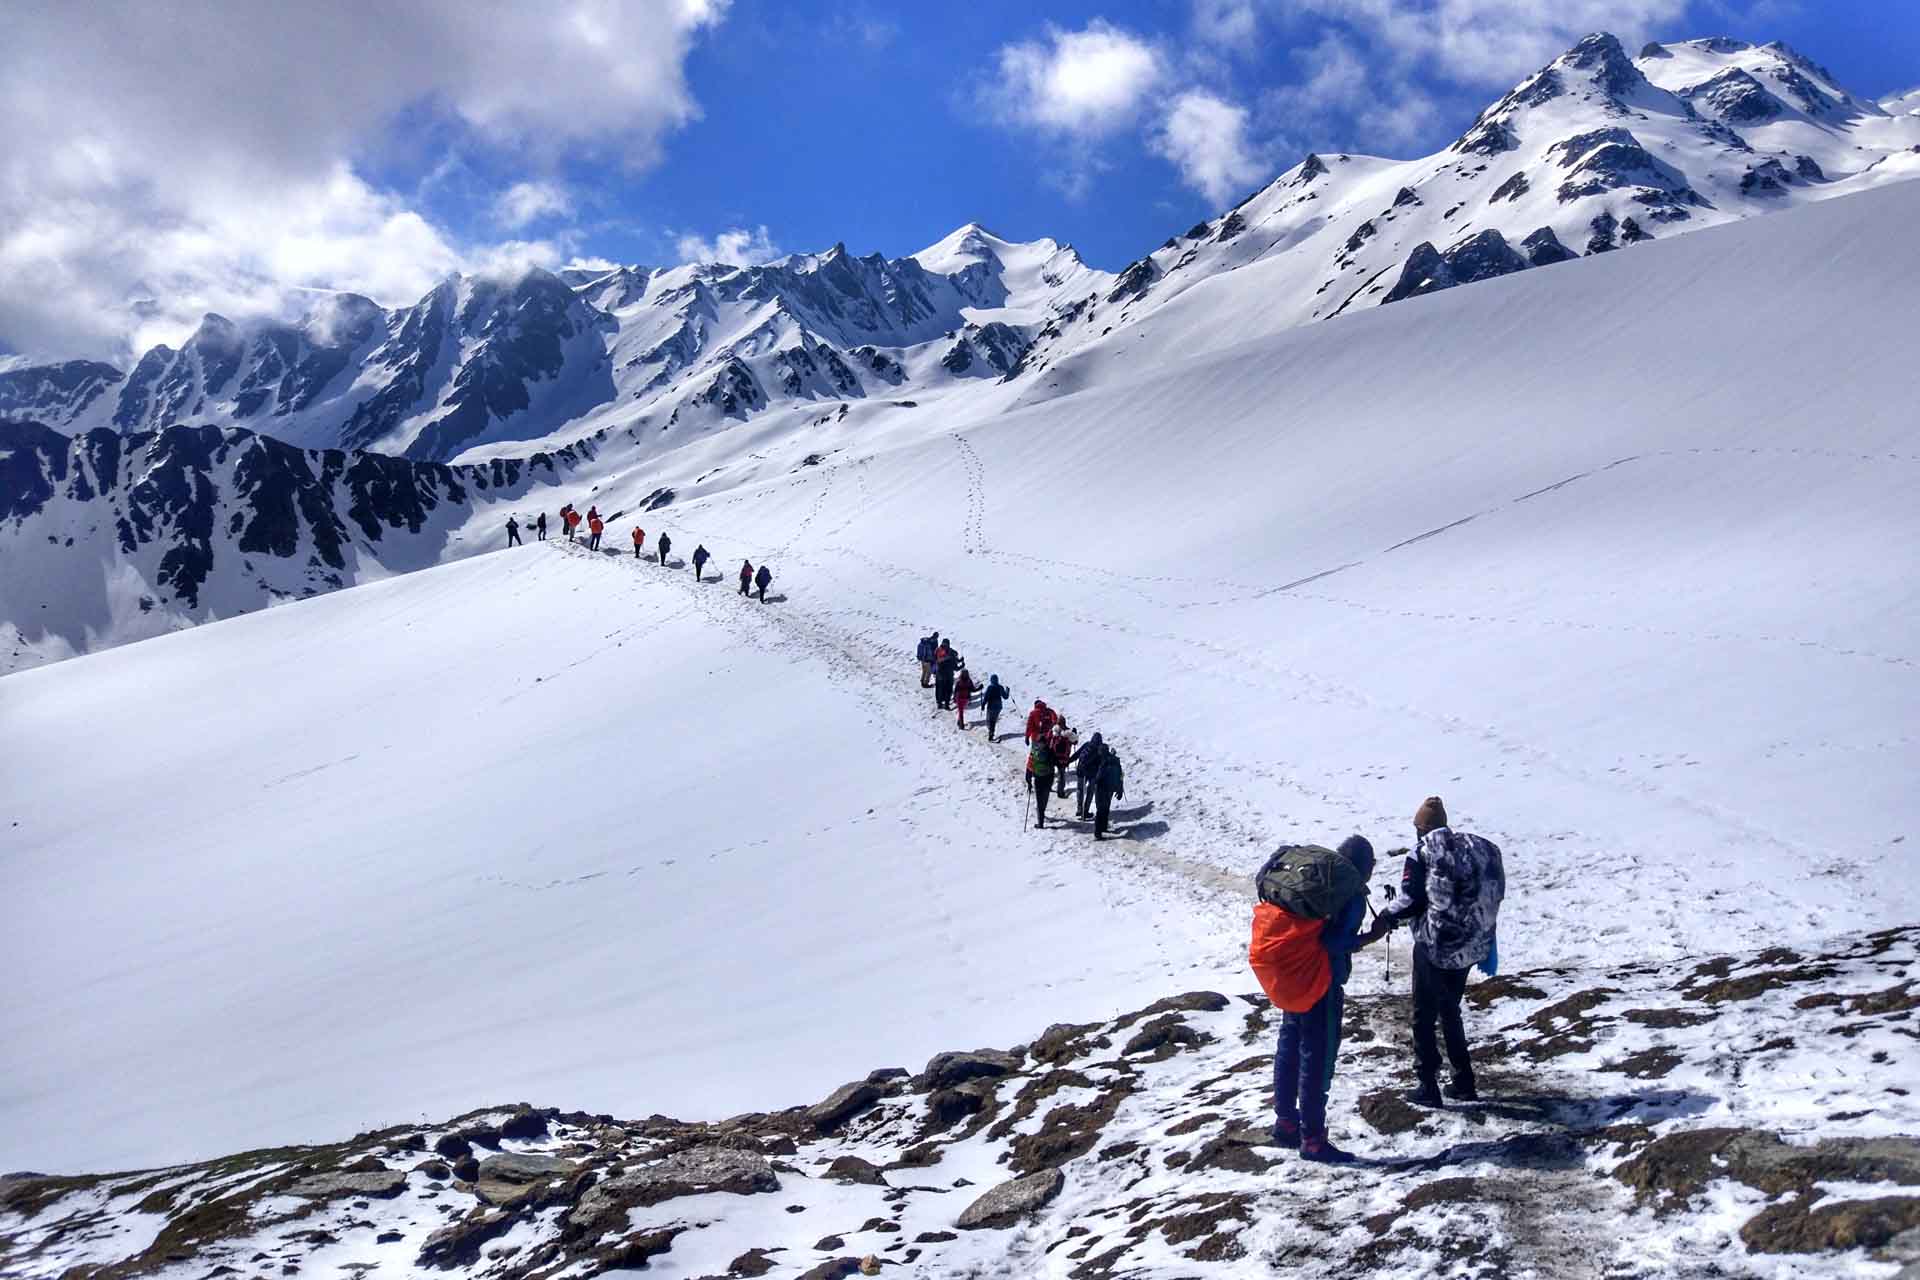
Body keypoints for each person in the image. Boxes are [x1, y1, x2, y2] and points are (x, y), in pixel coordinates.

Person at [1361, 796, 1505, 1107]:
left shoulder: (1423, 851)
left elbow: (1412, 899)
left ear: (1420, 828)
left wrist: (1386, 917)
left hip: (1436, 946)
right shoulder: (1478, 847)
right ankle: (1463, 1080)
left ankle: (1428, 1084)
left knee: (1423, 1015)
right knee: (1450, 1010)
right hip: (1472, 944)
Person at [1250, 837, 1379, 1164]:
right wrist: (1368, 938)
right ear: (1366, 869)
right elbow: (1335, 942)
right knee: (1316, 1058)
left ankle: (1286, 1123)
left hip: (1291, 977)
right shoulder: (1349, 894)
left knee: (1289, 1046)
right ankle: (1314, 1140)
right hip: (1320, 982)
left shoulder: (1313, 882)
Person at [1070, 732, 1108, 819]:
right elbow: (1103, 762)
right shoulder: (1100, 748)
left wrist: (1068, 761)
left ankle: (1079, 809)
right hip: (1092, 773)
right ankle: (1085, 811)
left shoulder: (1087, 744)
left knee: (1080, 790)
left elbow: (1077, 754)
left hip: (1081, 771)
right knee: (1090, 792)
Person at [1091, 744, 1125, 839]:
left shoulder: (1104, 762)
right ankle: (1104, 827)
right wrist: (1120, 789)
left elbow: (1099, 776)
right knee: (1106, 808)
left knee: (1100, 810)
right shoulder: (1115, 761)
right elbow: (1121, 775)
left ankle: (1098, 833)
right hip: (1111, 789)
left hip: (1101, 788)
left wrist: (1095, 781)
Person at [1026, 735, 1056, 828]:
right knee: (1045, 798)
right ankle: (1043, 812)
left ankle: (1040, 822)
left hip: (1038, 778)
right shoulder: (1050, 751)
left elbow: (1029, 767)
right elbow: (1055, 763)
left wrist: (1028, 781)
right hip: (1048, 778)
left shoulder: (1034, 752)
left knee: (1039, 801)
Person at [1048, 722, 1075, 799]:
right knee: (1062, 776)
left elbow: (1049, 742)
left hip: (1054, 758)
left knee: (1051, 773)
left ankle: (1048, 787)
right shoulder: (1068, 733)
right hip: (1063, 759)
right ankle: (1060, 792)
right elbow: (1075, 742)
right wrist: (1074, 733)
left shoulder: (1054, 731)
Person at [981, 675, 1011, 741]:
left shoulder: (990, 687)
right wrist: (1007, 691)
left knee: (989, 720)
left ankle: (991, 733)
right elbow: (1005, 697)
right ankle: (991, 732)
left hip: (991, 706)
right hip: (998, 707)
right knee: (993, 720)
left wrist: (983, 705)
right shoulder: (1000, 687)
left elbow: (986, 697)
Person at [933, 641, 959, 710]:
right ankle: (947, 704)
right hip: (949, 675)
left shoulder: (938, 650)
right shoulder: (951, 653)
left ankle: (939, 703)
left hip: (939, 674)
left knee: (939, 689)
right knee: (948, 689)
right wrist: (960, 665)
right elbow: (955, 666)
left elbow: (934, 658)